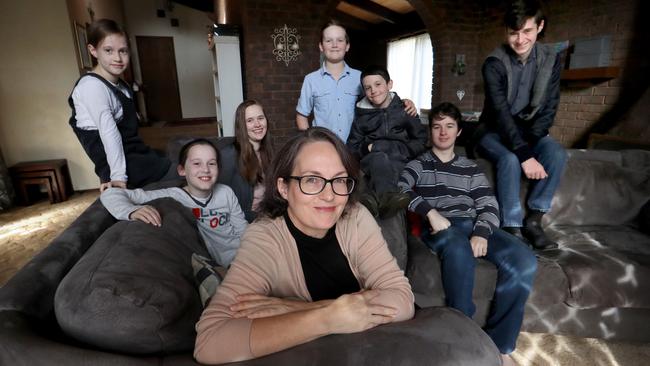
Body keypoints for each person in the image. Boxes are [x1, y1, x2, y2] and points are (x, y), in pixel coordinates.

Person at [194, 127, 414, 364]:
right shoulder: (264, 237)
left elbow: (402, 300)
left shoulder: (356, 216)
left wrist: (292, 307)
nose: (329, 195)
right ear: (283, 188)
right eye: (311, 179)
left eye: (339, 180)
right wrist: (327, 319)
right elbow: (210, 342)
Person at [398, 102, 536, 366]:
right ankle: (464, 336)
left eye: (449, 126)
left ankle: (500, 345)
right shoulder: (420, 164)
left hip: (473, 223)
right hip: (440, 226)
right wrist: (430, 212)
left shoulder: (471, 168)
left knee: (524, 259)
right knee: (458, 248)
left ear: (458, 132)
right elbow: (400, 188)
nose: (443, 132)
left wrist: (482, 232)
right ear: (431, 132)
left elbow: (488, 205)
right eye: (437, 126)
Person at [476, 0, 567, 250]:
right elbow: (501, 113)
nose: (520, 40)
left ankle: (534, 221)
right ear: (507, 32)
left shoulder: (551, 59)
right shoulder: (493, 63)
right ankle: (511, 226)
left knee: (557, 153)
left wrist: (532, 141)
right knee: (510, 159)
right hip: (493, 130)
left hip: (529, 130)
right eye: (513, 33)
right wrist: (525, 154)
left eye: (526, 31)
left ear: (540, 27)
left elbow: (550, 106)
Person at [100, 138, 247, 268]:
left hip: (244, 253)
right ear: (182, 170)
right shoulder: (174, 196)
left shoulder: (226, 192)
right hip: (223, 264)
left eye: (212, 163)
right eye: (197, 163)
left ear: (219, 169)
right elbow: (110, 193)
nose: (205, 169)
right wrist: (131, 211)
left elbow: (243, 229)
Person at [68, 19, 174, 192]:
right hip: (125, 167)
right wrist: (117, 177)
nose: (118, 58)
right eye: (108, 50)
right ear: (93, 50)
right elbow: (109, 133)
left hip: (136, 154)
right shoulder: (91, 86)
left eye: (123, 51)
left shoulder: (121, 85)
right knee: (187, 172)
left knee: (180, 158)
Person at [295, 20, 416, 142]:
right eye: (328, 40)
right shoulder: (311, 80)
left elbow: (378, 99)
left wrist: (404, 103)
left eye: (340, 40)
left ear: (347, 46)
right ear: (321, 46)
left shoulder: (360, 77)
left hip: (354, 148)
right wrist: (312, 144)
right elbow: (301, 115)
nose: (334, 45)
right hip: (324, 148)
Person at [347, 66, 427, 216]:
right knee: (379, 158)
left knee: (393, 168)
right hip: (372, 161)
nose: (373, 90)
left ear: (389, 84)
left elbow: (421, 141)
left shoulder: (405, 110)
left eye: (378, 84)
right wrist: (368, 148)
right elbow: (351, 150)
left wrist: (401, 150)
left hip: (399, 160)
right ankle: (386, 200)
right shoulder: (361, 118)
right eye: (367, 87)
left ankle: (371, 200)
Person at [218, 100, 275, 222]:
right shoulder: (229, 155)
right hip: (246, 221)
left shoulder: (269, 152)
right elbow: (220, 200)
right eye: (250, 121)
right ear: (242, 126)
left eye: (260, 118)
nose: (257, 124)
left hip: (270, 214)